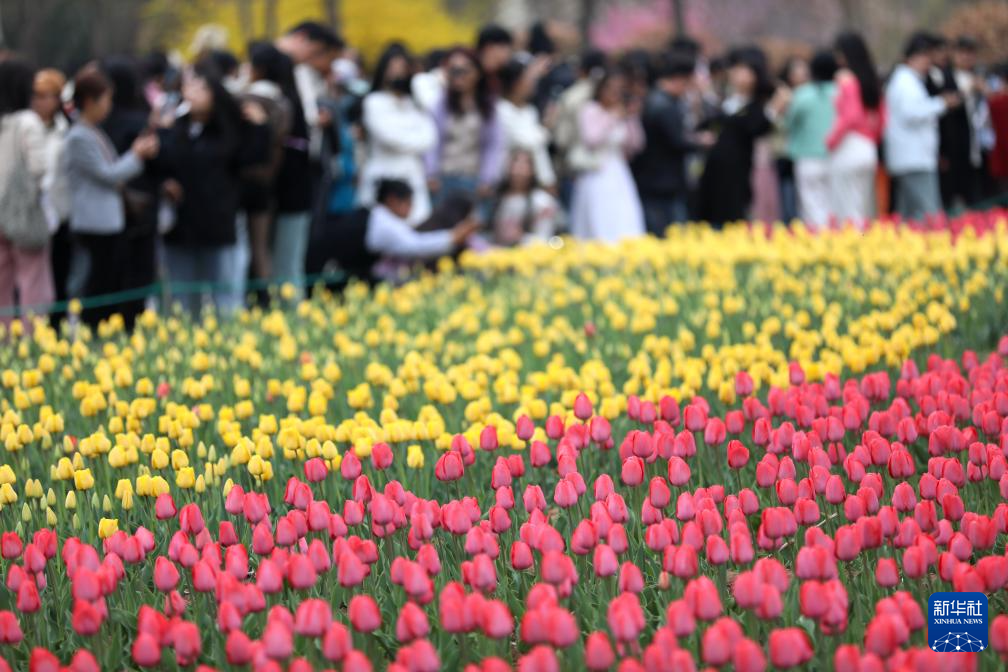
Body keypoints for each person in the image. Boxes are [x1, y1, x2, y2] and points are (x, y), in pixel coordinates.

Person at [155, 67, 269, 315]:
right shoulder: (176, 127)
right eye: (189, 86)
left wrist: (260, 127)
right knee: (182, 301)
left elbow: (251, 159)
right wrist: (162, 132)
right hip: (181, 225)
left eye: (202, 87)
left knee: (226, 295)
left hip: (219, 224)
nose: (193, 93)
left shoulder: (228, 131)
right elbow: (161, 164)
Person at [63, 67, 159, 328]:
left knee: (108, 280)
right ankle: (92, 329)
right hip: (93, 223)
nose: (109, 106)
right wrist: (137, 154)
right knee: (97, 283)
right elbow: (109, 174)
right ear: (90, 101)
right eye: (106, 99)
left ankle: (102, 328)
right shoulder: (79, 136)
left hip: (106, 221)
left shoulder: (92, 131)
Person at [101, 56, 163, 328]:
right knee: (138, 272)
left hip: (107, 212)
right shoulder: (140, 121)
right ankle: (131, 326)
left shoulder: (98, 123)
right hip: (141, 210)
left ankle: (107, 327)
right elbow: (159, 166)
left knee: (109, 274)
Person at [695, 46, 786, 226]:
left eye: (743, 69)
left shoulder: (759, 105)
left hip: (741, 173)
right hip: (715, 171)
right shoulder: (727, 100)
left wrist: (773, 109)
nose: (736, 74)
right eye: (735, 69)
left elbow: (756, 128)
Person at [358, 43, 437, 225]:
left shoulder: (413, 103)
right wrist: (414, 139)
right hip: (385, 175)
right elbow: (390, 137)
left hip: (412, 175)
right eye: (392, 68)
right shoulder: (374, 102)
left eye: (402, 68)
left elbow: (430, 137)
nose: (397, 74)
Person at [885, 33, 960, 221]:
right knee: (929, 213)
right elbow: (912, 112)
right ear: (913, 57)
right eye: (926, 57)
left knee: (908, 214)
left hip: (913, 157)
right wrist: (942, 103)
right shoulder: (905, 82)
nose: (929, 63)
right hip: (914, 158)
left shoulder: (908, 80)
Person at [0, 58, 53, 325]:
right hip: (23, 212)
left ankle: (4, 338)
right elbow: (39, 168)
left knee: (2, 282)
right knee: (33, 279)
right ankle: (33, 337)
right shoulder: (28, 121)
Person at [632, 52, 708, 235]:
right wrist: (701, 141)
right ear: (679, 79)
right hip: (663, 183)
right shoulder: (663, 105)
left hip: (654, 180)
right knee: (670, 234)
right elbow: (677, 141)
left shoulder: (653, 99)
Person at [569, 70, 645, 242]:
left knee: (623, 214)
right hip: (596, 169)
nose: (614, 94)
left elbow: (636, 144)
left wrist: (631, 118)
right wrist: (612, 117)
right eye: (610, 89)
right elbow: (591, 139)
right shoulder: (591, 110)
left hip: (619, 170)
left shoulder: (622, 113)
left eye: (619, 90)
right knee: (599, 215)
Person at [425, 48, 505, 205]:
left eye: (464, 70)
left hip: (475, 181)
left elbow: (494, 145)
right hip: (443, 180)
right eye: (454, 70)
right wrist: (430, 173)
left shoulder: (488, 107)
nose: (459, 75)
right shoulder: (440, 104)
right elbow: (432, 142)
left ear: (478, 72)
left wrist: (488, 178)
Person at [363, 179, 479, 283]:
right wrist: (452, 237)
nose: (411, 207)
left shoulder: (382, 217)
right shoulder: (384, 222)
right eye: (408, 203)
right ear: (392, 200)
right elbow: (415, 246)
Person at [826, 32, 884, 226]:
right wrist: (872, 138)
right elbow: (882, 118)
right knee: (862, 205)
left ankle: (852, 243)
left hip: (849, 146)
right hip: (868, 147)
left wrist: (831, 140)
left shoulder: (846, 79)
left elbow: (851, 115)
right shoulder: (871, 80)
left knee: (847, 208)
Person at [31, 69, 73, 321]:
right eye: (37, 95)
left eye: (48, 95)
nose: (42, 102)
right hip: (29, 214)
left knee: (59, 274)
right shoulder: (23, 127)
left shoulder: (66, 129)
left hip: (60, 212)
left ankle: (56, 326)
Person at [785, 50, 837, 229]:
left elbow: (790, 123)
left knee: (811, 205)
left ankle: (816, 241)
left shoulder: (803, 94)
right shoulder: (840, 93)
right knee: (832, 204)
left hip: (807, 157)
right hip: (835, 156)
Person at [552, 49, 607, 204]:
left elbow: (561, 139)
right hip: (609, 168)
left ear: (581, 70)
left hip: (576, 167)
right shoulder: (610, 96)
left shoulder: (572, 96)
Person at [496, 58, 556, 190]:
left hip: (534, 184)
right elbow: (528, 141)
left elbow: (539, 151)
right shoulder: (500, 110)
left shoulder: (530, 111)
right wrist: (546, 127)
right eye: (529, 79)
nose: (533, 83)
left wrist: (548, 180)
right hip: (506, 185)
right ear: (516, 83)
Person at [492, 149, 559, 246]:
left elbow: (545, 239)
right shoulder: (497, 199)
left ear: (533, 170)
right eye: (515, 163)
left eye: (524, 165)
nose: (518, 170)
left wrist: (521, 237)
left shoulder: (543, 202)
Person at [773, 56, 809, 224]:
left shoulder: (808, 94)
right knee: (787, 193)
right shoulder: (782, 94)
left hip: (804, 153)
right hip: (784, 152)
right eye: (798, 71)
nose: (802, 75)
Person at [475, 24, 514, 94]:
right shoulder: (472, 74)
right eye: (503, 47)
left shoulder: (501, 77)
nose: (509, 53)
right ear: (489, 47)